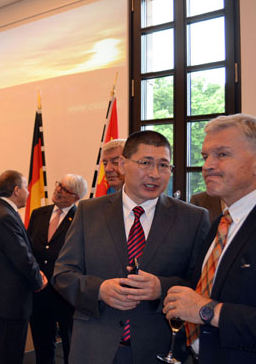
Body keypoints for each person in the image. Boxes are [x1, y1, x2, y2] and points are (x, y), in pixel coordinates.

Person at [52, 130, 210, 364]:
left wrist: (161, 288)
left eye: (164, 165)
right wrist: (100, 290)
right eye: (146, 163)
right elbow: (63, 275)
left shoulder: (193, 219)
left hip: (158, 348)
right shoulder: (89, 211)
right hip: (94, 347)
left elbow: (201, 285)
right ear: (123, 165)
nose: (155, 174)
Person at [164, 114, 256, 364]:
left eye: (223, 154)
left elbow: (203, 306)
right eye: (206, 156)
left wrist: (208, 312)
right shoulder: (221, 222)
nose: (207, 165)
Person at [0, 170, 48, 364]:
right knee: (8, 354)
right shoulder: (4, 216)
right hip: (10, 300)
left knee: (1, 350)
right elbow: (21, 257)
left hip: (6, 300)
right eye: (25, 187)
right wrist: (39, 279)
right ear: (16, 190)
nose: (29, 192)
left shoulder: (0, 211)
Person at [28, 174, 88, 364]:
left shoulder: (82, 219)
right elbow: (28, 248)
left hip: (65, 294)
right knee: (42, 342)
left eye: (66, 189)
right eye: (59, 185)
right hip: (39, 290)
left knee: (71, 344)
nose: (59, 190)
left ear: (76, 198)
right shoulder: (39, 213)